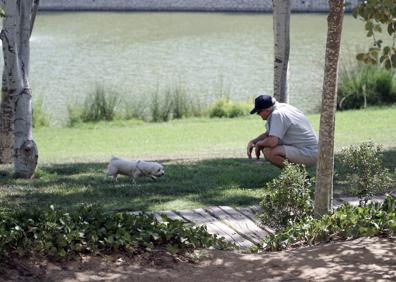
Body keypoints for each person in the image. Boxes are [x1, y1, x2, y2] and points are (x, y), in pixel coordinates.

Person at [247, 94, 318, 168]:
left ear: (267, 110)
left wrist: (259, 144)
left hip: (309, 152)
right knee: (268, 148)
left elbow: (272, 142)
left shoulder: (277, 114)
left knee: (269, 152)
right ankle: (299, 177)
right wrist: (253, 142)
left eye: (258, 112)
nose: (258, 115)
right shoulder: (283, 107)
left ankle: (299, 177)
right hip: (312, 150)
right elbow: (269, 134)